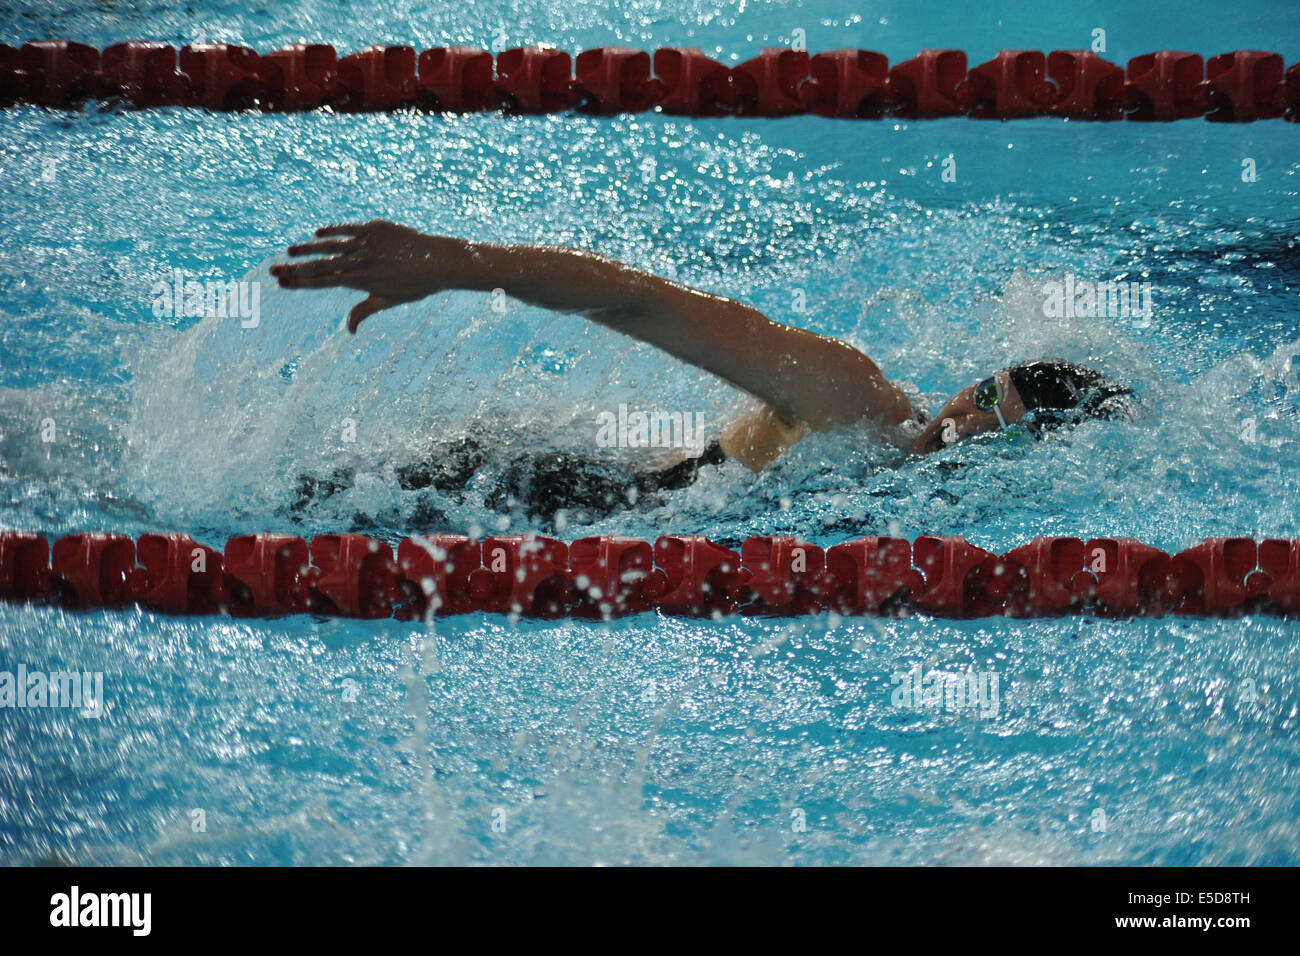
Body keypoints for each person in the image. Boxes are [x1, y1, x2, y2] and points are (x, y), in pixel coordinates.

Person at [271, 220, 1133, 519]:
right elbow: (639, 303)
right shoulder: (851, 394)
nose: (972, 418)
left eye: (997, 425)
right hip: (536, 491)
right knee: (269, 510)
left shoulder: (907, 514)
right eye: (985, 390)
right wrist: (455, 264)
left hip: (605, 525)